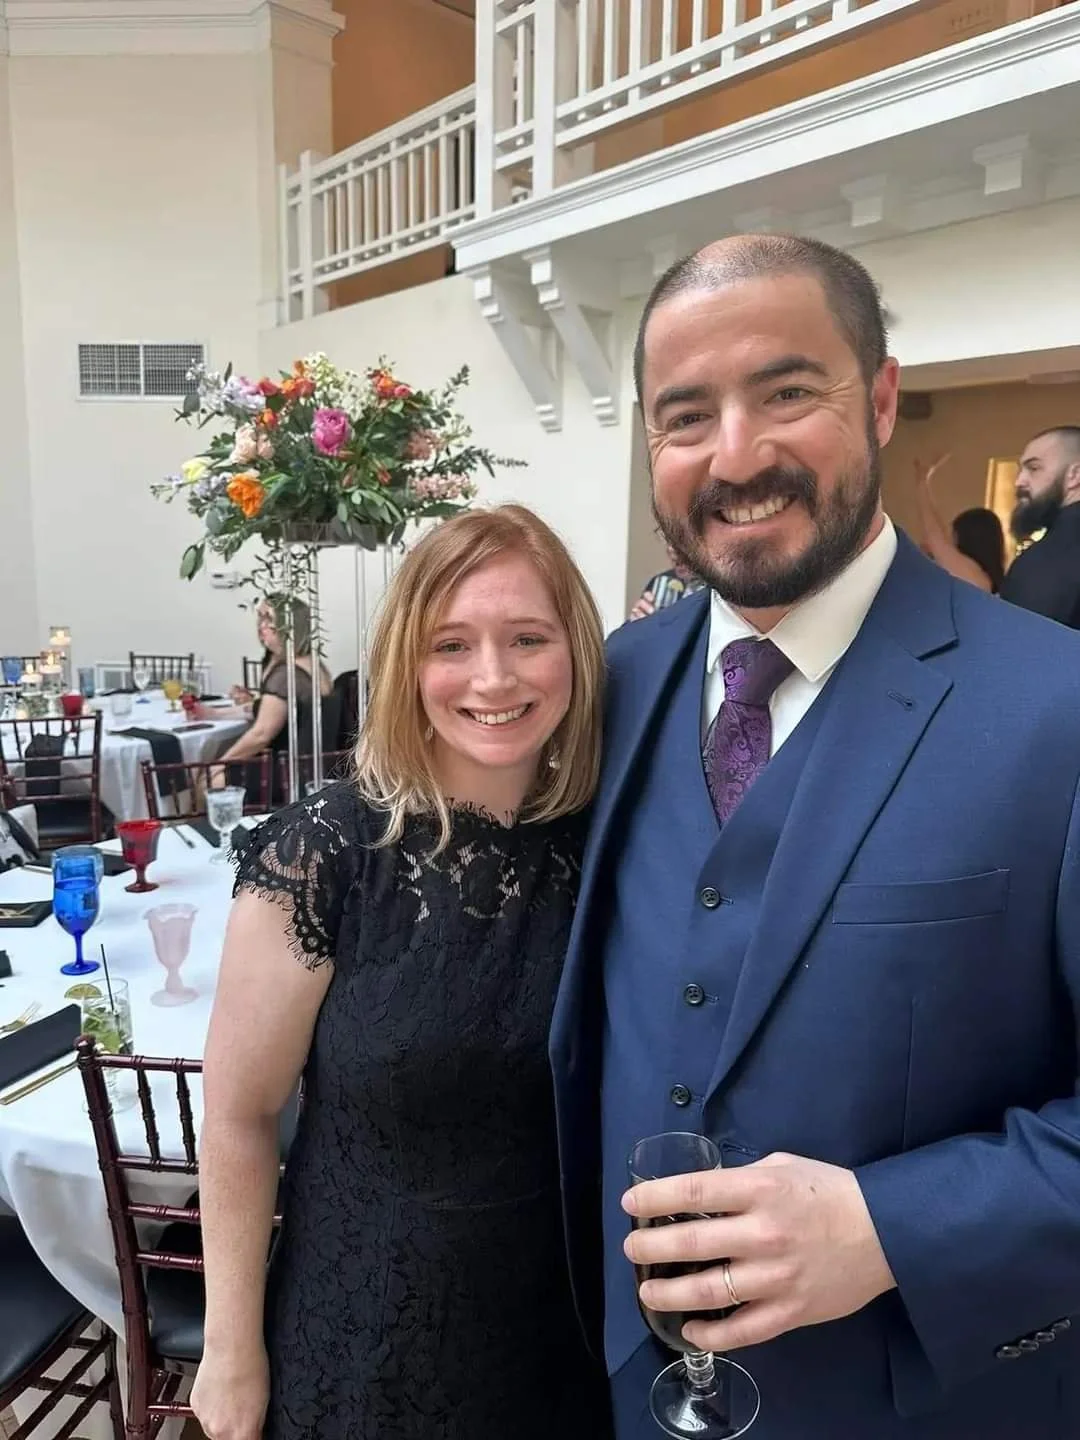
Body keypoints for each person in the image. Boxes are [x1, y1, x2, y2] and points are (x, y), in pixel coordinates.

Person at [552, 234, 1080, 1438]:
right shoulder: (608, 688)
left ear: (882, 397)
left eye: (789, 393)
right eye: (686, 417)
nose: (736, 455)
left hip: (927, 1405)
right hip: (628, 1391)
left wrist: (892, 1228)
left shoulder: (1061, 708)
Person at [190, 505, 612, 1440]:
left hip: (563, 1331)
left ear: (575, 654)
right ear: (404, 667)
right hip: (366, 1330)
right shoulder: (328, 850)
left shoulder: (609, 845)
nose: (493, 677)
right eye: (450, 643)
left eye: (529, 638)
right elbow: (239, 1113)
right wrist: (230, 1349)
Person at [212, 596, 334, 792]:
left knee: (208, 778)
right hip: (309, 765)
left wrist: (218, 765)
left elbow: (261, 735)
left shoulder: (287, 674)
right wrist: (213, 715)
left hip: (287, 772)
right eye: (260, 618)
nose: (262, 625)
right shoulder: (311, 663)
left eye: (270, 619)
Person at [999, 425, 1080, 626]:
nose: (1019, 481)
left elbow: (1019, 647)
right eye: (1021, 469)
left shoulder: (1052, 556)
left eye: (1034, 468)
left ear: (1075, 475)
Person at [913, 454, 1005, 592]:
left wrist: (922, 482)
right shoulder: (978, 575)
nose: (950, 540)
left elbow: (935, 536)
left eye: (952, 534)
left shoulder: (974, 576)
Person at [628, 544, 707, 621]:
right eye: (669, 540)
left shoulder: (716, 588)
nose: (671, 549)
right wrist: (636, 622)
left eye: (680, 539)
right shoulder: (662, 582)